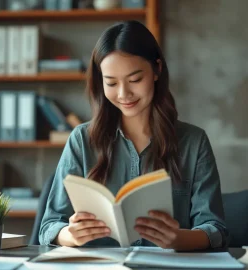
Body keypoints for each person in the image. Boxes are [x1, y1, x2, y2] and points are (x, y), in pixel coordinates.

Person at [39, 20, 229, 250]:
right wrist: (70, 235)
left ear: (157, 69)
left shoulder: (193, 142)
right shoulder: (82, 140)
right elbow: (49, 226)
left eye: (135, 80)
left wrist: (178, 239)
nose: (123, 94)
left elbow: (215, 228)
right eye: (111, 83)